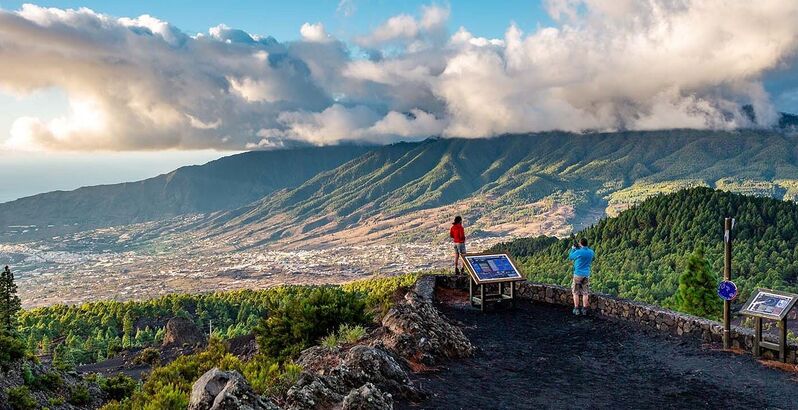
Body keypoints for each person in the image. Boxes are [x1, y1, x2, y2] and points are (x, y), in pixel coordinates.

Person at [568, 238, 595, 315]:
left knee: (576, 292)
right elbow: (593, 257)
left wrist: (573, 249)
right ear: (587, 243)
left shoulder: (578, 252)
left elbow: (570, 257)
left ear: (580, 243)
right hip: (586, 274)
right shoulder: (591, 252)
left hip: (578, 274)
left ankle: (576, 309)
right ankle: (584, 310)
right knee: (585, 293)